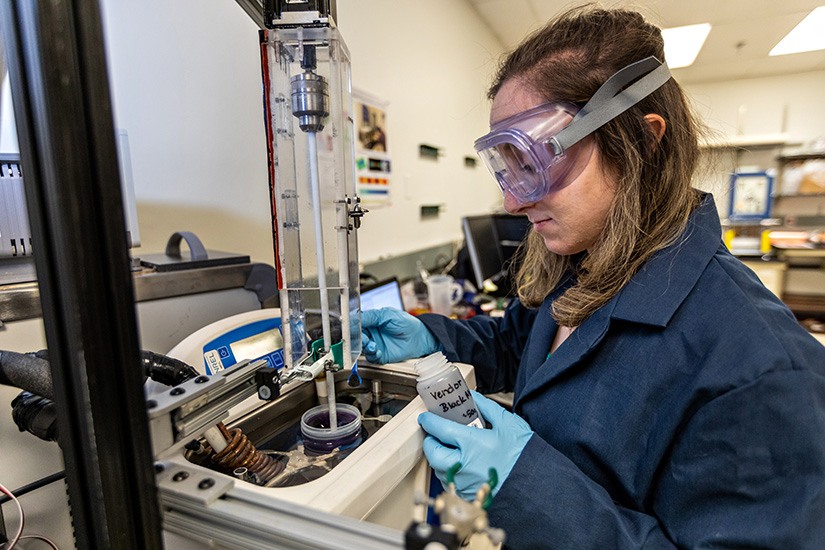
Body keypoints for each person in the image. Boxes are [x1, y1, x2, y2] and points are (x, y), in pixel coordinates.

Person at [360, 7, 825, 549]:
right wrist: (432, 337)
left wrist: (528, 489)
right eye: (505, 166)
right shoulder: (588, 266)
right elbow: (525, 347)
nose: (513, 199)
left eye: (535, 159)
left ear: (643, 142)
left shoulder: (759, 367)